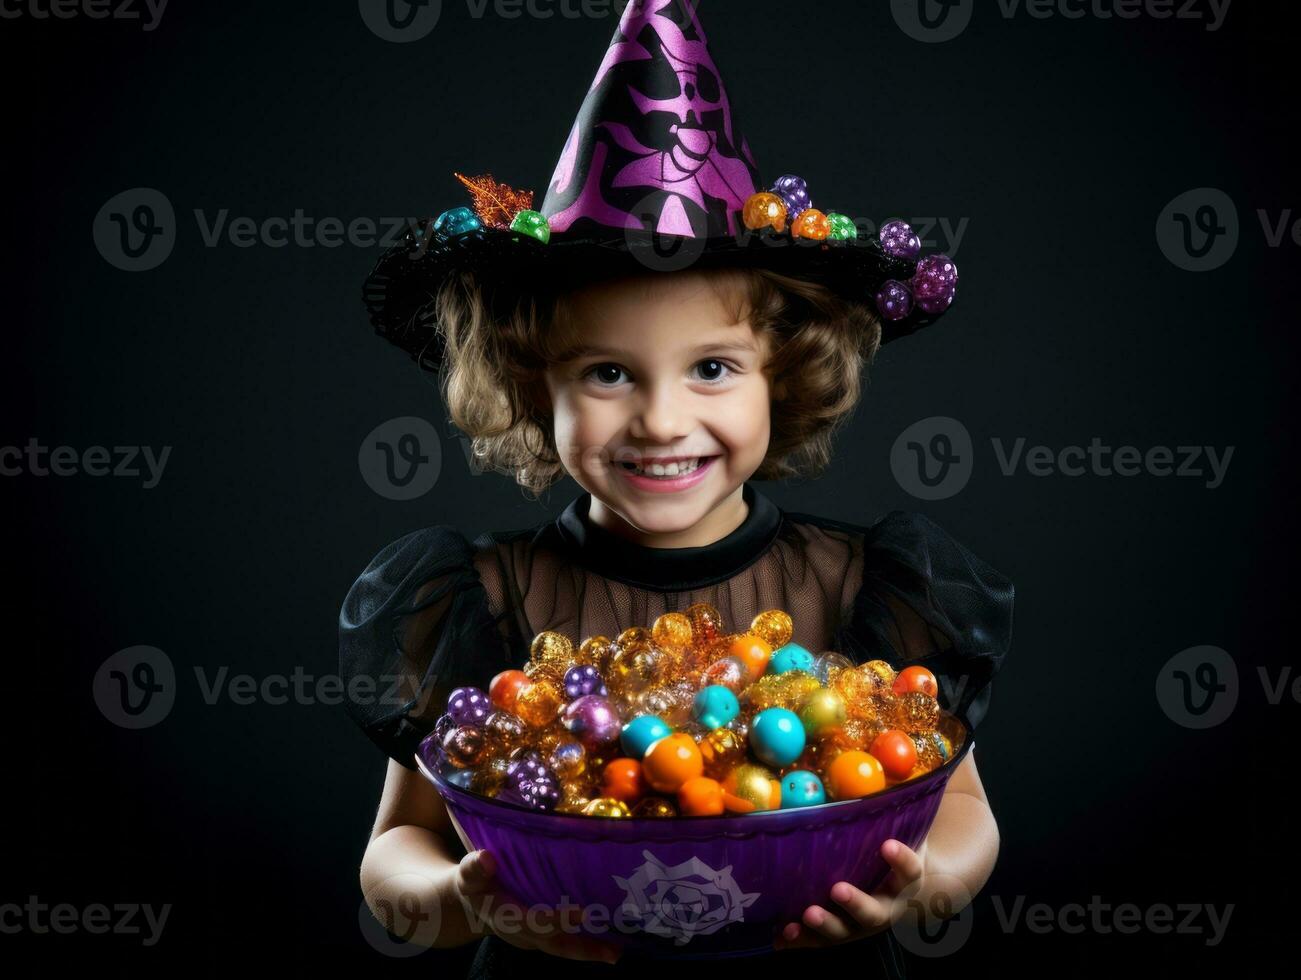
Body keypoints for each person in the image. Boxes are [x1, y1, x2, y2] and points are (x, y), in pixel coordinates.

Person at [340, 3, 1012, 976]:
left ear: (781, 377)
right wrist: (462, 900)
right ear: (536, 387)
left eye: (710, 369)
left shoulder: (871, 582)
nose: (659, 420)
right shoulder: (474, 596)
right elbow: (392, 849)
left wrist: (927, 884)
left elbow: (960, 809)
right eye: (607, 373)